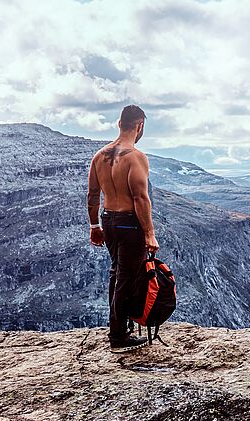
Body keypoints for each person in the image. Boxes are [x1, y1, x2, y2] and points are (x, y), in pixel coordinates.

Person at [87, 104, 160, 352]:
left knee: (117, 272)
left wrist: (94, 225)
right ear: (139, 126)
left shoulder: (99, 156)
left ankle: (118, 327)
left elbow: (93, 194)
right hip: (129, 223)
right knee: (126, 277)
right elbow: (140, 197)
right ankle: (119, 335)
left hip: (108, 220)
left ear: (119, 124)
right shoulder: (135, 157)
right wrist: (149, 233)